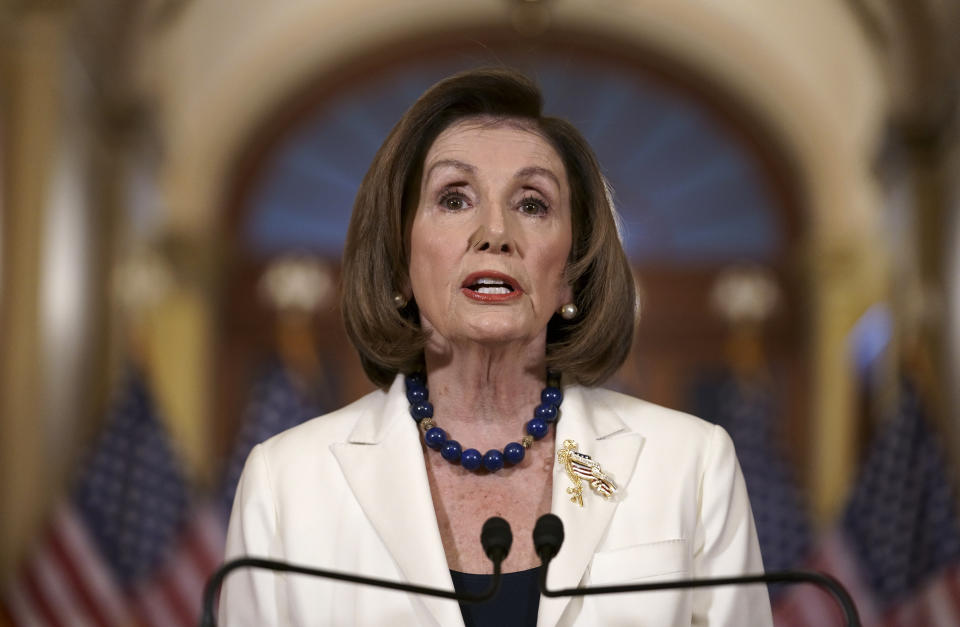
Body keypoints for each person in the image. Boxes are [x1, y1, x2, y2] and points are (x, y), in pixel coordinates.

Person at [221, 68, 773, 626]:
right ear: (400, 260)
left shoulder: (689, 465)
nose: (495, 232)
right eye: (454, 198)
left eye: (532, 204)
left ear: (571, 274)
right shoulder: (287, 482)